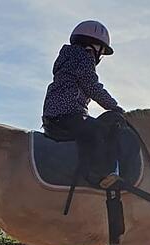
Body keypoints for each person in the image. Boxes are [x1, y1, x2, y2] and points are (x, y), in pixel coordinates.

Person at [42, 20, 124, 189]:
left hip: (57, 113)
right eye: (101, 50)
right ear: (93, 46)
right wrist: (114, 107)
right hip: (67, 113)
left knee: (94, 127)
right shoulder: (82, 58)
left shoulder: (69, 57)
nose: (100, 55)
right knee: (99, 129)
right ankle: (100, 174)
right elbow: (93, 87)